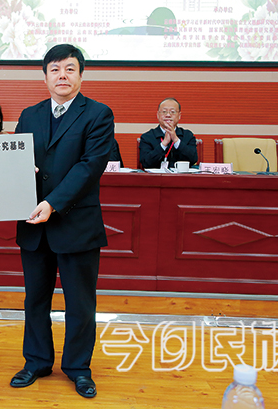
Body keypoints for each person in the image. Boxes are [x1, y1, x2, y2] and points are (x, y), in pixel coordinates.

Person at [11, 44, 114, 398]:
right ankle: (37, 361)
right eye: (55, 70)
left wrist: (52, 203)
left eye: (70, 69)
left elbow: (90, 167)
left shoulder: (98, 114)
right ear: (44, 77)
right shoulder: (29, 115)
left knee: (80, 303)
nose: (62, 76)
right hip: (33, 225)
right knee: (35, 300)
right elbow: (15, 159)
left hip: (76, 224)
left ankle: (78, 368)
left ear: (81, 75)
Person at [139, 97, 198, 169]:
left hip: (181, 176)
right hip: (157, 176)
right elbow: (145, 163)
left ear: (179, 115)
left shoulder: (188, 135)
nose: (168, 115)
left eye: (173, 112)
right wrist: (164, 144)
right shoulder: (147, 137)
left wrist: (176, 140)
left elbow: (193, 159)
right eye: (164, 112)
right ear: (158, 115)